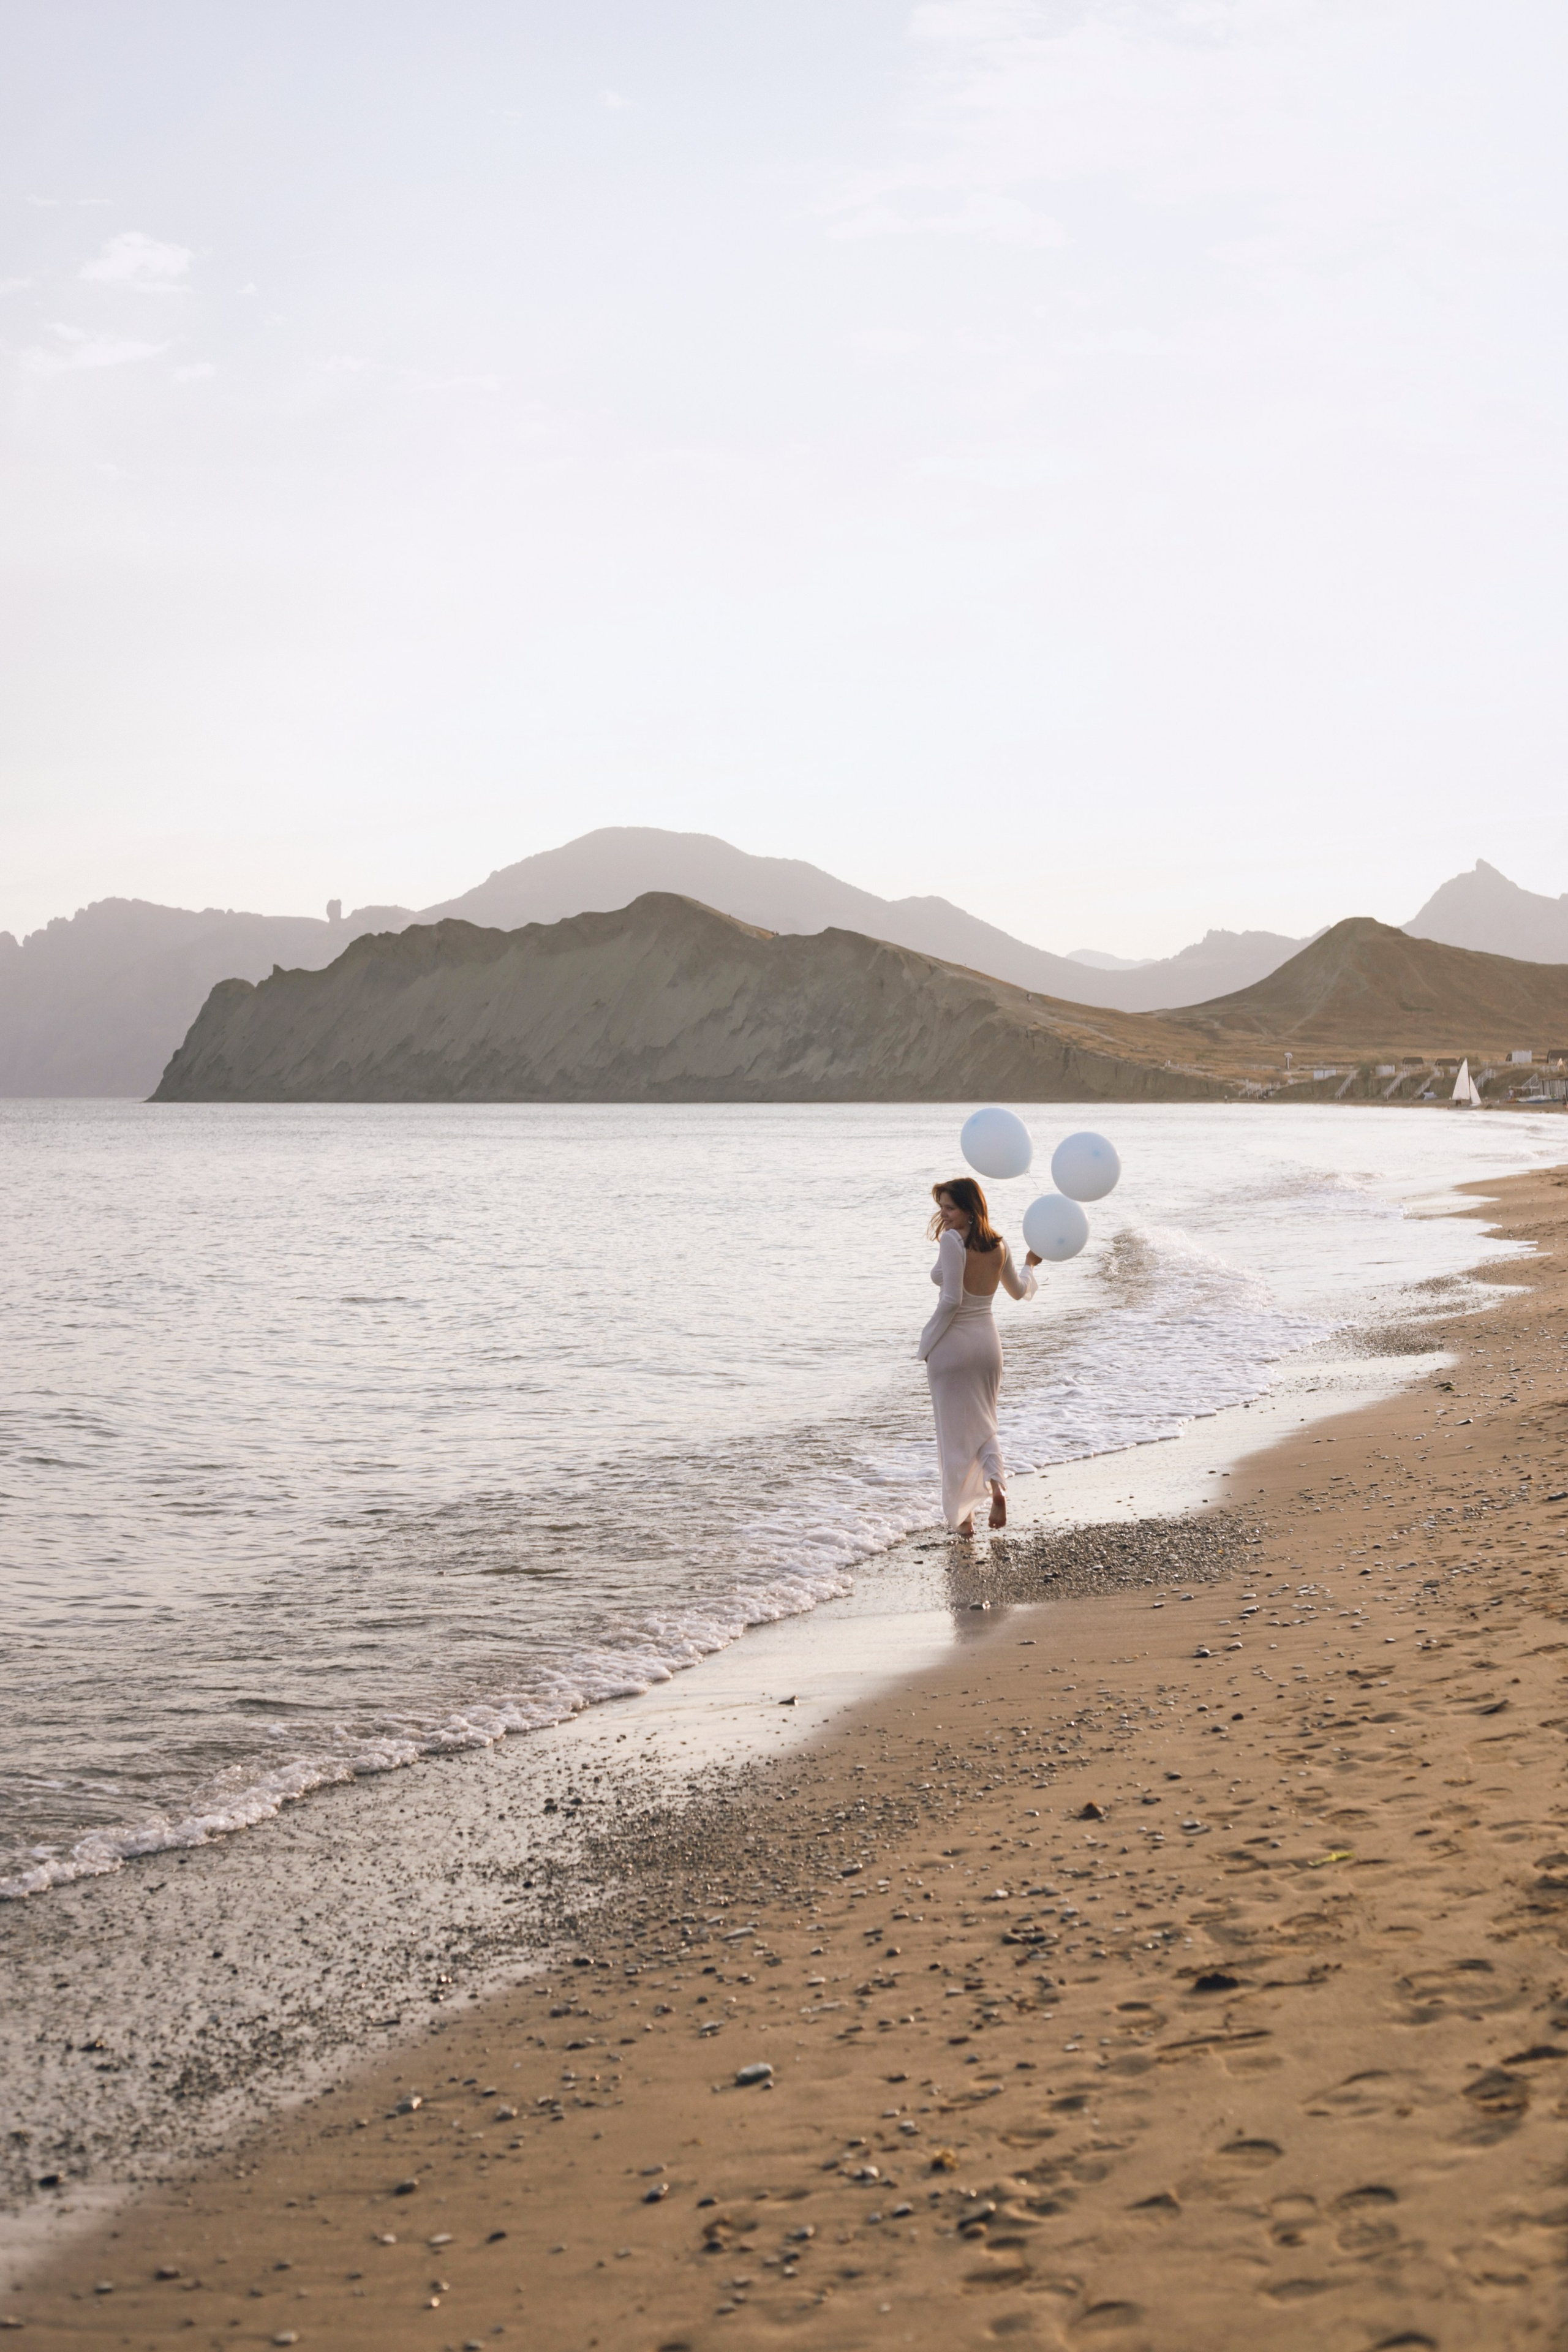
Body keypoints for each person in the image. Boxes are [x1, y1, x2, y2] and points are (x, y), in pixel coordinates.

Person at [917, 1176, 1041, 1537]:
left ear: (971, 1209)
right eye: (941, 1207)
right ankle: (997, 1486)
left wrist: (927, 1342)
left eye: (950, 1208)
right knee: (985, 1424)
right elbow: (1019, 1292)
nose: (944, 1214)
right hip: (988, 1344)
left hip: (954, 1345)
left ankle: (964, 1519)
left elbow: (952, 1300)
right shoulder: (999, 1244)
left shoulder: (953, 1241)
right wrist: (1031, 1264)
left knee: (953, 1434)